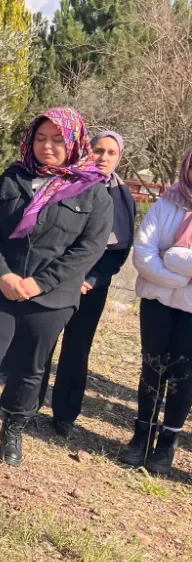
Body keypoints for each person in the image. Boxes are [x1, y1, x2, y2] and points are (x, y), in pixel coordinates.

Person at [0, 107, 112, 467]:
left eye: (57, 139)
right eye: (40, 138)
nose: (47, 146)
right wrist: (3, 275)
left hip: (50, 298)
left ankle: (13, 427)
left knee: (30, 366)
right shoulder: (11, 178)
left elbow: (88, 250)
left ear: (73, 143)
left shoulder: (94, 193)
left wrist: (39, 283)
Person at [37, 130, 136, 437]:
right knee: (43, 342)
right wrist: (64, 273)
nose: (103, 157)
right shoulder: (68, 184)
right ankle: (28, 404)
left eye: (111, 153)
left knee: (77, 348)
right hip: (57, 278)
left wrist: (91, 279)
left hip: (91, 286)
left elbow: (119, 250)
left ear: (119, 158)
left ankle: (65, 415)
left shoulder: (123, 197)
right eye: (98, 150)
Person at [122, 148, 192, 474]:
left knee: (184, 377)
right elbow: (143, 254)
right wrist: (181, 278)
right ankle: (141, 435)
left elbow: (163, 256)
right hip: (157, 304)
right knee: (152, 369)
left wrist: (171, 258)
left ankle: (167, 443)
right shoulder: (166, 206)